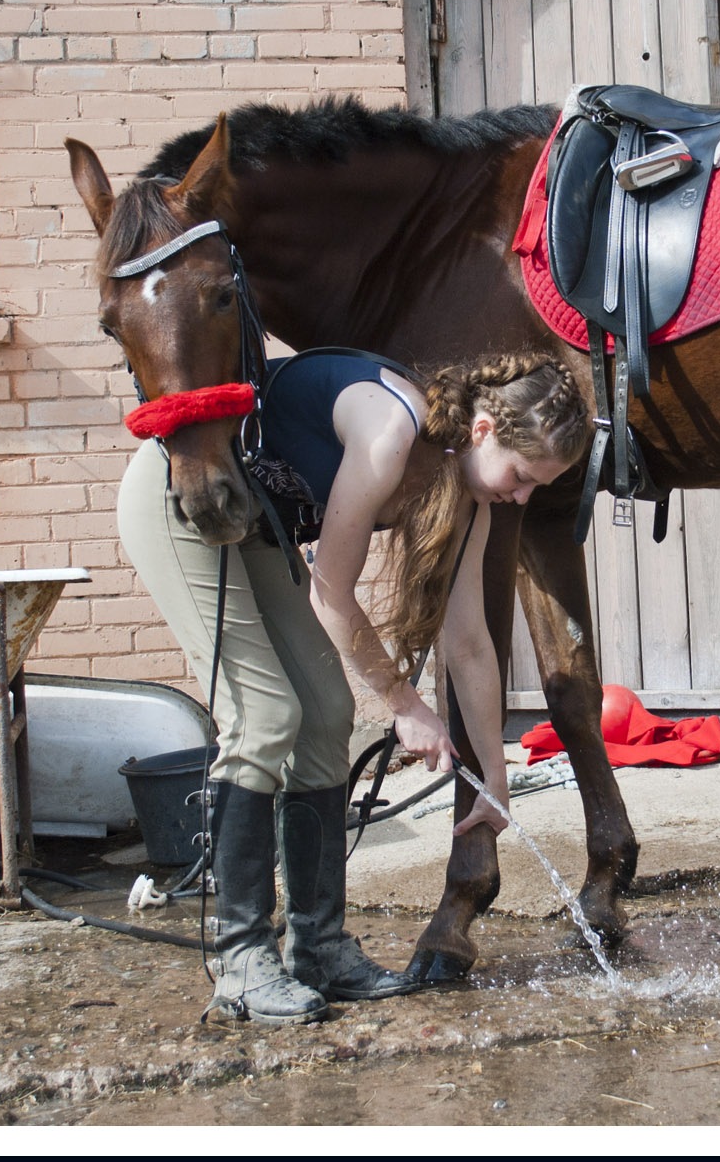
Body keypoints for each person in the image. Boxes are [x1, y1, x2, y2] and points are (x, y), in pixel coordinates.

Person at [117, 350, 590, 1025]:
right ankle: (243, 960)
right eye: (520, 477)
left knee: (328, 712)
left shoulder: (466, 494)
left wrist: (494, 777)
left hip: (253, 522)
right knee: (264, 714)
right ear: (483, 430)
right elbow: (331, 591)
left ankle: (318, 947)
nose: (519, 497)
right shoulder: (390, 433)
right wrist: (405, 704)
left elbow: (471, 645)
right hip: (180, 493)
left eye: (533, 488)